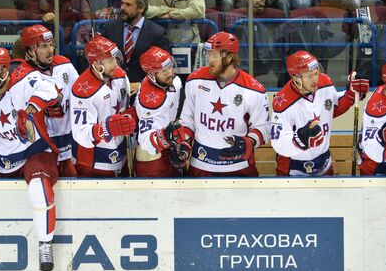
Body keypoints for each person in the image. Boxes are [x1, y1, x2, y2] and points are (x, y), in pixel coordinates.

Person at [0, 47, 60, 271]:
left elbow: (52, 90)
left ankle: (45, 243)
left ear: (3, 70)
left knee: (39, 189)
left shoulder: (26, 79)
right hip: (5, 163)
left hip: (36, 151)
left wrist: (29, 110)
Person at [180, 32, 271, 176]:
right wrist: (184, 144)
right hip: (200, 164)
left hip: (239, 166)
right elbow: (187, 120)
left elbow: (263, 128)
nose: (209, 60)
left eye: (215, 56)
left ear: (229, 58)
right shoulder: (195, 80)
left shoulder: (254, 90)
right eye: (209, 54)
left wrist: (249, 142)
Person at [270, 51, 369, 176]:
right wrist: (300, 139)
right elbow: (278, 143)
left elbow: (334, 108)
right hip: (292, 167)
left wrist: (351, 95)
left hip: (323, 162)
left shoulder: (325, 83)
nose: (315, 80)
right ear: (296, 77)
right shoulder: (282, 102)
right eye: (309, 76)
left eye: (316, 73)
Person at [70, 35, 136, 177]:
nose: (115, 64)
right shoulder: (82, 89)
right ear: (96, 63)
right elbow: (80, 133)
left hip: (120, 154)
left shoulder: (120, 76)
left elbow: (125, 108)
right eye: (110, 60)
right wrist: (106, 128)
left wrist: (131, 115)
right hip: (93, 162)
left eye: (115, 59)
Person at [20, 24, 79, 176]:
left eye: (51, 45)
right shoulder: (23, 76)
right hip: (42, 148)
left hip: (70, 143)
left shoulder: (64, 64)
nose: (50, 50)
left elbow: (80, 98)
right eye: (44, 46)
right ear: (30, 50)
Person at [100, 0, 171, 96]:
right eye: (122, 4)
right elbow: (101, 60)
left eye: (128, 5)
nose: (122, 8)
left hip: (144, 94)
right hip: (113, 92)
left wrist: (143, 84)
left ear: (141, 8)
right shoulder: (110, 28)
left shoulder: (157, 33)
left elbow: (165, 69)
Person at [134, 46, 187, 177]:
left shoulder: (174, 81)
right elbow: (145, 140)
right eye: (164, 70)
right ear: (151, 74)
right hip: (152, 161)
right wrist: (166, 136)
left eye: (170, 67)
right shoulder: (150, 101)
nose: (170, 73)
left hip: (169, 150)